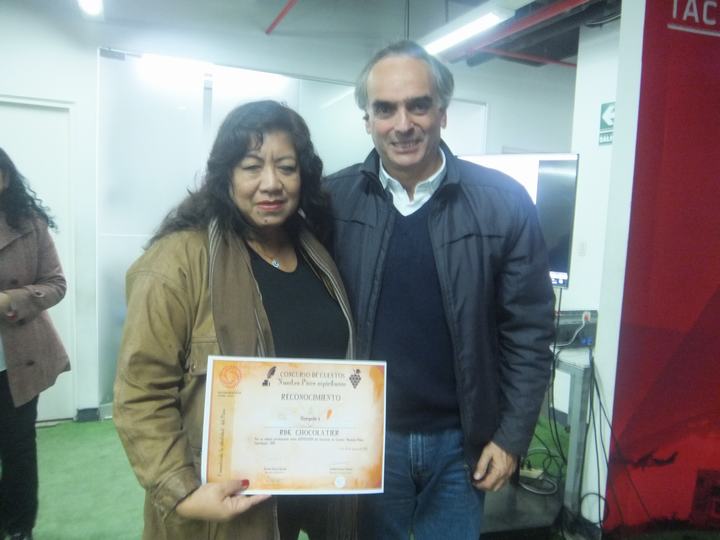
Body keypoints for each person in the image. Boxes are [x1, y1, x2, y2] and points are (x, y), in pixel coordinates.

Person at [324, 41, 556, 539]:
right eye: (385, 109)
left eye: (418, 105)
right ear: (367, 120)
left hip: (461, 448)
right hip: (364, 440)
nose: (403, 124)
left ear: (443, 113)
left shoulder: (504, 203)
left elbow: (529, 332)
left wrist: (512, 438)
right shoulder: (332, 202)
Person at [113, 100, 357, 540]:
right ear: (226, 175)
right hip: (226, 506)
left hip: (316, 488)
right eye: (251, 167)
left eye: (286, 167)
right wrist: (183, 494)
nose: (271, 184)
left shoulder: (314, 250)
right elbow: (140, 393)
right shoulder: (177, 262)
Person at [0, 147, 69, 540]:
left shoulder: (29, 224)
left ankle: (17, 528)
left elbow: (55, 284)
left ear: (5, 178)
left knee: (18, 448)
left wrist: (10, 300)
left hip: (17, 359)